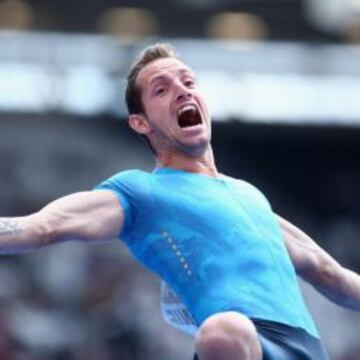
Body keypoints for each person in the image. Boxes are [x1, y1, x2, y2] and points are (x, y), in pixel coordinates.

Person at [1, 43, 360, 360]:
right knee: (224, 333)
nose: (181, 92)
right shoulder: (139, 192)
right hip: (241, 343)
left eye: (188, 83)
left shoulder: (250, 196)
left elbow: (331, 274)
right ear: (141, 123)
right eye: (162, 89)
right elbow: (41, 226)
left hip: (307, 349)